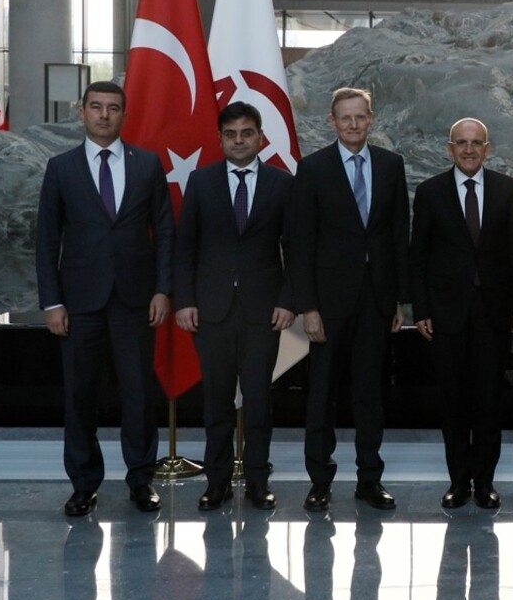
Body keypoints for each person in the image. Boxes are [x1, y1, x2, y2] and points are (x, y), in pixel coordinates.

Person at [35, 81, 173, 516]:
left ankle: (140, 481)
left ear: (123, 114)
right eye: (96, 107)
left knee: (137, 395)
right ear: (83, 113)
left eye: (113, 108)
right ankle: (83, 485)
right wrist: (52, 303)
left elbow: (166, 232)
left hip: (135, 301)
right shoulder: (61, 168)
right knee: (80, 396)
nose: (104, 115)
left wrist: (163, 289)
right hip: (79, 305)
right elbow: (46, 240)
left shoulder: (148, 165)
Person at [288, 87, 410, 511]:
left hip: (376, 301)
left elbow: (398, 236)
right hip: (327, 305)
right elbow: (299, 242)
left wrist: (397, 299)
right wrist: (308, 306)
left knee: (369, 396)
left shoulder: (391, 166)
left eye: (361, 117)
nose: (353, 124)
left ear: (371, 119)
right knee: (322, 396)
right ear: (332, 121)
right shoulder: (313, 168)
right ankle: (320, 481)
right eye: (346, 118)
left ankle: (369, 481)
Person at [173, 101, 294, 511]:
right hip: (211, 309)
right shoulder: (202, 182)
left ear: (260, 137)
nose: (239, 141)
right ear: (221, 138)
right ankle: (217, 482)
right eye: (231, 134)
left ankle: (258, 481)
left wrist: (288, 300)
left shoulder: (281, 183)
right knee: (217, 403)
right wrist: (185, 300)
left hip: (264, 311)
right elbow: (184, 245)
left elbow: (295, 248)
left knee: (259, 401)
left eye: (247, 133)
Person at [410, 118, 513, 510]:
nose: (469, 149)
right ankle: (458, 482)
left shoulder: (507, 189)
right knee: (453, 401)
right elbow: (419, 257)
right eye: (461, 143)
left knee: (488, 401)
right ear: (449, 148)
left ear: (487, 148)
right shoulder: (429, 192)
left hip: (493, 313)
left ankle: (485, 482)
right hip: (445, 314)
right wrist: (421, 308)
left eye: (476, 143)